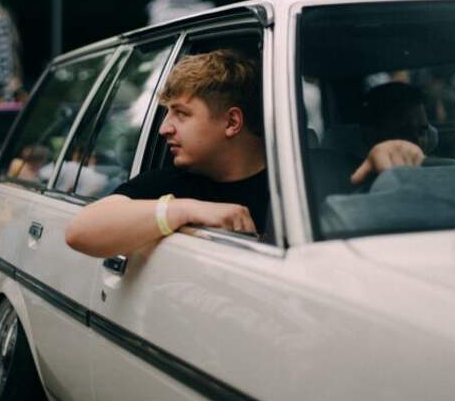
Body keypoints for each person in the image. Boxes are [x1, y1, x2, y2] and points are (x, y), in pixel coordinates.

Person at [66, 51, 426, 259]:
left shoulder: (317, 172)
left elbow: (400, 217)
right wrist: (185, 210)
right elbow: (80, 231)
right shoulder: (171, 183)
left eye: (181, 114)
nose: (164, 129)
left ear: (232, 122)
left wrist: (392, 157)